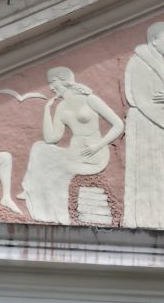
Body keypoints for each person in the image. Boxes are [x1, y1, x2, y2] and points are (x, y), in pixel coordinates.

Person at [22, 67, 124, 225]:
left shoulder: (89, 99)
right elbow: (51, 138)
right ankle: (36, 194)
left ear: (65, 81)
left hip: (94, 153)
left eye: (53, 82)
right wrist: (46, 110)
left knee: (53, 171)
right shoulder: (61, 107)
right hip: (74, 151)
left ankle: (40, 197)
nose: (50, 87)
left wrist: (99, 145)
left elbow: (118, 125)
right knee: (39, 147)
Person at [120, 24, 164, 227]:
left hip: (156, 126)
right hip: (146, 124)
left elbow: (160, 99)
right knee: (144, 174)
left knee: (158, 173)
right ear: (155, 38)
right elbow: (144, 98)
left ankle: (157, 219)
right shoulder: (140, 63)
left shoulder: (158, 63)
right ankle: (141, 221)